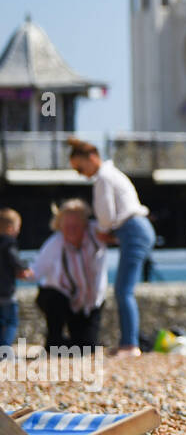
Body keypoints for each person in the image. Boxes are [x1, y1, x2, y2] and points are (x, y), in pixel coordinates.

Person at [67, 139, 155, 358]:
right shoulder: (111, 174)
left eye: (80, 167)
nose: (80, 173)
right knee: (124, 290)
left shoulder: (104, 178)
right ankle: (128, 342)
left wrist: (102, 231)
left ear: (92, 158)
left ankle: (130, 345)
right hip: (135, 229)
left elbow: (106, 213)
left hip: (133, 230)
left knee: (123, 291)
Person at [29, 199, 108, 353]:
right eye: (67, 226)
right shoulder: (55, 243)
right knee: (52, 297)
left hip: (89, 304)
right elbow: (36, 271)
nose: (71, 230)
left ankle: (65, 344)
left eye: (76, 226)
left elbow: (113, 232)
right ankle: (54, 339)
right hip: (63, 299)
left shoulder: (96, 235)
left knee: (86, 348)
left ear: (84, 225)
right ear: (60, 226)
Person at [0, 208, 35, 350]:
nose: (18, 232)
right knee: (11, 322)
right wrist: (24, 268)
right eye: (17, 228)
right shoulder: (9, 243)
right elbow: (14, 259)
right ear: (10, 228)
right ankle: (5, 349)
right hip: (7, 292)